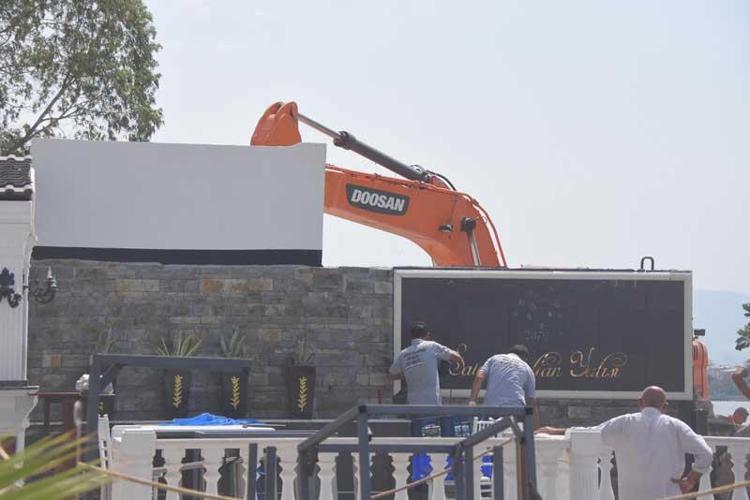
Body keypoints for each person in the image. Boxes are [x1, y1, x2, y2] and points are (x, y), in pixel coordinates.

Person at [536, 386, 713, 499]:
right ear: (664, 406)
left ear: (640, 403)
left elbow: (590, 433)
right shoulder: (677, 426)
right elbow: (705, 454)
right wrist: (691, 479)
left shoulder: (624, 423)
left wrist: (555, 430)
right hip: (669, 496)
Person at [388, 321, 464, 405]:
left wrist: (408, 373)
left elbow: (391, 375)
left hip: (413, 403)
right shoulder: (431, 346)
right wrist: (461, 366)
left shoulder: (403, 354)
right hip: (432, 402)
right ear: (426, 335)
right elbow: (456, 357)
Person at [468, 344, 540, 428]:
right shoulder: (527, 369)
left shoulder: (494, 359)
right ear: (525, 358)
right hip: (515, 412)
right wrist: (536, 429)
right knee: (515, 434)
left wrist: (472, 401)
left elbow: (479, 377)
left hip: (492, 410)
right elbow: (531, 402)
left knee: (488, 434)